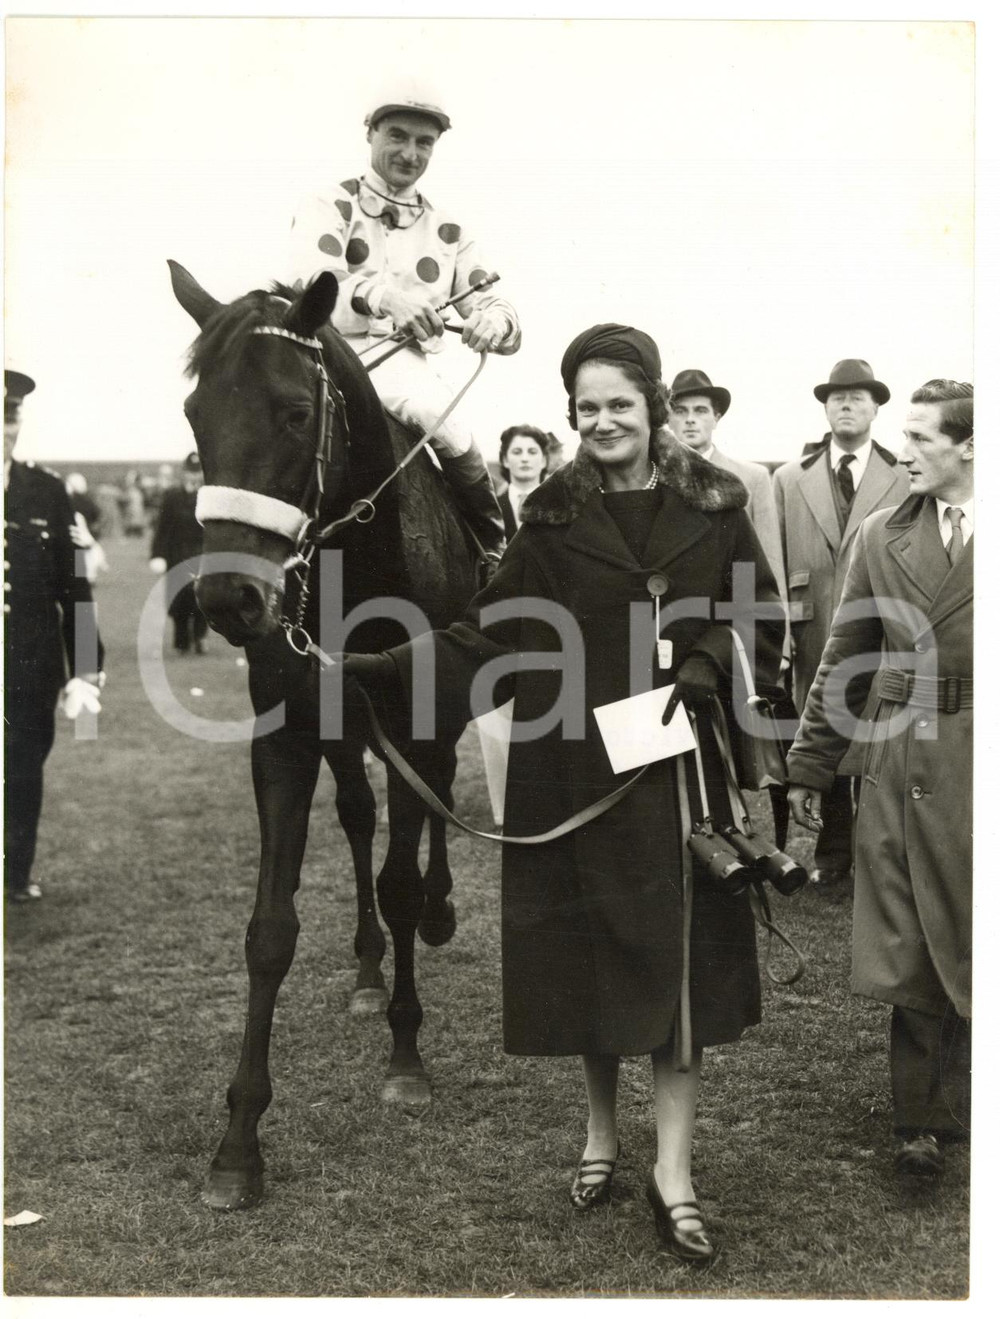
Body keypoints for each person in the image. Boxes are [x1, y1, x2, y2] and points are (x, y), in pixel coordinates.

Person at [342, 325, 783, 1262]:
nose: (603, 420)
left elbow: (758, 605)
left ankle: (675, 1171)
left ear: (655, 404)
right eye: (586, 407)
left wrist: (707, 656)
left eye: (620, 402)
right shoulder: (547, 517)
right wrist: (383, 668)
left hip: (676, 777)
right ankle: (598, 1134)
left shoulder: (716, 504)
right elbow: (491, 635)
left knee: (674, 971)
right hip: (570, 768)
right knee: (590, 959)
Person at [786, 379, 972, 1178]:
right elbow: (842, 658)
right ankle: (919, 1119)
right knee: (911, 927)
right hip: (903, 756)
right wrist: (811, 761)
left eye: (924, 437)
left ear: (971, 446)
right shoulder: (878, 535)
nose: (909, 452)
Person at [288, 90, 520, 569]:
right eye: (397, 136)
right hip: (328, 355)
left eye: (424, 142)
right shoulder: (327, 201)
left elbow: (496, 303)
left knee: (445, 421)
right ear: (370, 132)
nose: (410, 154)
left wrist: (490, 322)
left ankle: (493, 553)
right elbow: (312, 278)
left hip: (404, 369)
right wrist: (385, 298)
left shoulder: (449, 228)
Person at [773, 359, 909, 887]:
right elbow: (772, 560)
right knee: (822, 733)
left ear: (876, 407)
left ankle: (875, 860)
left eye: (857, 396)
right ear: (824, 407)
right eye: (836, 397)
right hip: (810, 635)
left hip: (881, 634)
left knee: (877, 737)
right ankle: (831, 859)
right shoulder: (790, 478)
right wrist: (779, 632)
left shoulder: (903, 474)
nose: (846, 404)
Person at [4, 368, 105, 904]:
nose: (3, 425)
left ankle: (14, 877)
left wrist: (86, 667)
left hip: (29, 666)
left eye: (9, 414)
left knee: (21, 769)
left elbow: (75, 587)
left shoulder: (44, 491)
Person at [667, 369, 786, 601]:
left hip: (731, 608)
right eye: (680, 411)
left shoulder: (752, 478)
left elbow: (770, 564)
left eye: (701, 411)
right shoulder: (655, 478)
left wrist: (776, 632)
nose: (690, 419)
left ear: (716, 418)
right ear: (668, 419)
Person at [149, 451, 208, 654]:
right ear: (184, 473)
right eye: (190, 472)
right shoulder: (172, 496)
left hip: (201, 554)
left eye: (197, 472)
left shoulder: (208, 495)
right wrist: (157, 555)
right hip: (177, 554)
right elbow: (162, 529)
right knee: (178, 600)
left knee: (202, 599)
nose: (193, 476)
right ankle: (181, 641)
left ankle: (200, 638)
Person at [496, 424, 553, 540]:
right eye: (517, 452)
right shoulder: (493, 507)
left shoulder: (558, 505)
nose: (525, 459)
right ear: (505, 460)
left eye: (532, 452)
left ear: (543, 460)